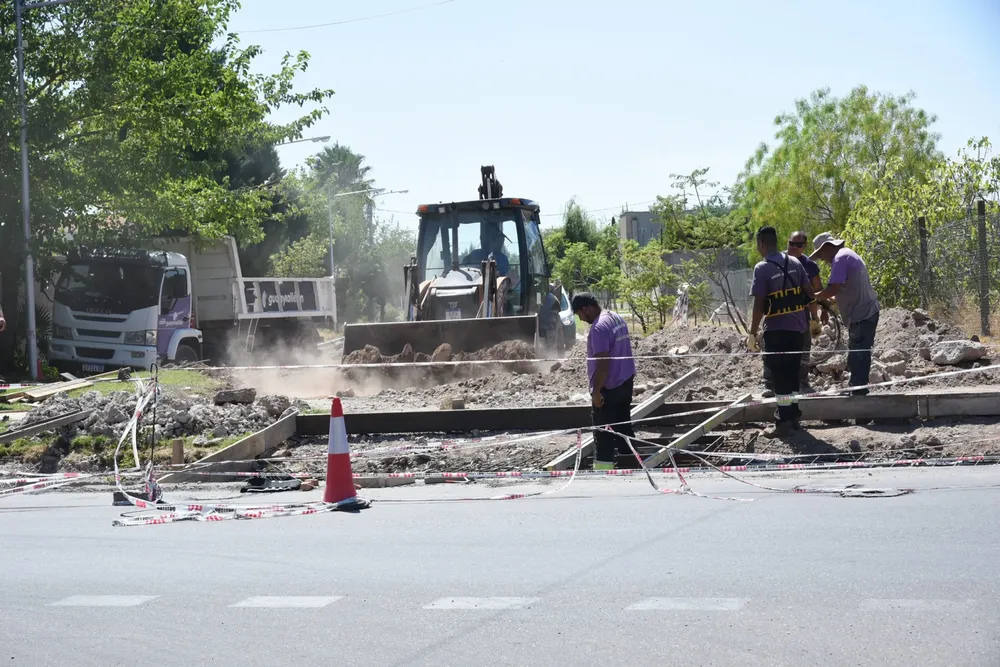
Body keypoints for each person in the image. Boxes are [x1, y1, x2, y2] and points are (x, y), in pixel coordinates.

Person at [748, 226, 816, 437]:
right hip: (798, 329)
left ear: (761, 244)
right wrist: (813, 319)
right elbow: (810, 294)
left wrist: (752, 333)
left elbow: (759, 304)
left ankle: (783, 421)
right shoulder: (795, 262)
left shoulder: (762, 268)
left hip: (776, 331)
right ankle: (793, 417)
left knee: (780, 379)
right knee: (793, 375)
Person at [810, 232, 881, 396]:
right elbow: (843, 290)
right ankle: (857, 389)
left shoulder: (840, 258)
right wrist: (827, 305)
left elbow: (833, 288)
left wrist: (812, 296)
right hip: (865, 314)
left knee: (859, 356)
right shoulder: (847, 255)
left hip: (862, 315)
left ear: (827, 248)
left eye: (821, 255)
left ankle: (858, 394)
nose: (823, 259)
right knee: (857, 354)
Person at [572, 292, 636, 470]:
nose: (582, 319)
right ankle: (631, 466)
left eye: (580, 315)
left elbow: (602, 362)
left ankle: (602, 474)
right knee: (624, 428)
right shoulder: (615, 317)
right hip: (625, 381)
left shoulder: (599, 328)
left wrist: (597, 391)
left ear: (587, 308)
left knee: (604, 434)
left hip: (610, 388)